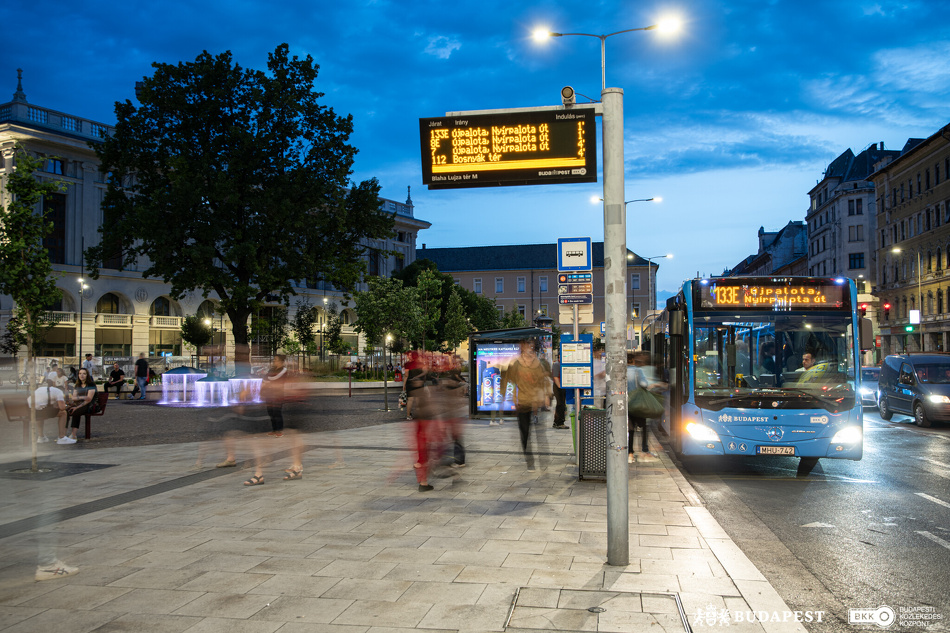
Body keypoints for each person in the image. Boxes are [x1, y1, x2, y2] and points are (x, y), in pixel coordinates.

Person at [502, 339, 550, 471]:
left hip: (536, 402)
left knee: (540, 434)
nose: (529, 349)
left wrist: (546, 396)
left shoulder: (537, 363)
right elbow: (509, 380)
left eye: (531, 347)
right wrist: (510, 397)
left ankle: (543, 462)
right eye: (527, 346)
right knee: (525, 433)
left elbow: (544, 380)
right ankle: (530, 461)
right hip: (522, 402)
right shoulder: (516, 364)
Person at [28, 379, 68, 444]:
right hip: (41, 412)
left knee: (40, 409)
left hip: (31, 412)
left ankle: (41, 437)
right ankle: (62, 437)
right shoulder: (59, 391)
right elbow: (62, 407)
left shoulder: (40, 389)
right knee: (63, 413)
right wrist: (66, 405)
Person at [63, 368, 97, 443]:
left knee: (76, 411)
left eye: (84, 373)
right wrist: (82, 397)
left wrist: (77, 406)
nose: (82, 375)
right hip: (78, 404)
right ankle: (63, 435)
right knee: (65, 412)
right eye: (80, 373)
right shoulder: (77, 385)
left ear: (87, 375)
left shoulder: (91, 384)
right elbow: (74, 397)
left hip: (89, 405)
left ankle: (73, 434)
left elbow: (88, 399)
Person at [264, 354, 288, 436]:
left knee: (277, 412)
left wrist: (268, 381)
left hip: (278, 394)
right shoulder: (272, 369)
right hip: (269, 393)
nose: (274, 361)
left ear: (281, 361)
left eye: (276, 360)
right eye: (274, 360)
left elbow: (275, 378)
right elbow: (264, 378)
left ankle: (279, 430)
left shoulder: (284, 370)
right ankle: (274, 429)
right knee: (270, 412)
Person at [551, 354, 567, 429]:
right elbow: (555, 377)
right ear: (559, 357)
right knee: (560, 404)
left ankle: (557, 422)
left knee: (561, 404)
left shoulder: (562, 364)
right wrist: (560, 386)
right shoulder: (557, 364)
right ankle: (559, 422)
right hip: (558, 386)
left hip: (561, 386)